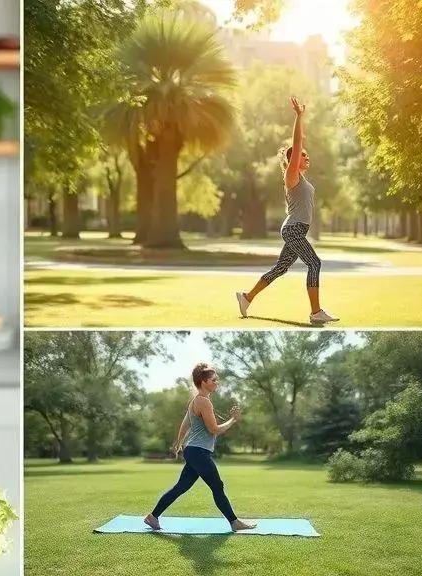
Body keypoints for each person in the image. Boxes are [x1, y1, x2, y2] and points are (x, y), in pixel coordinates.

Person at [236, 97, 339, 325]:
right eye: (303, 154)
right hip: (293, 229)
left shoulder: (301, 178)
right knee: (315, 263)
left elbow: (300, 146)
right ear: (293, 159)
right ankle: (316, 313)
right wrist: (298, 117)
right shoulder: (291, 174)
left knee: (280, 268)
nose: (306, 156)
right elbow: (298, 141)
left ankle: (246, 297)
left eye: (306, 154)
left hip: (296, 230)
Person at [144, 363, 255, 532]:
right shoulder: (203, 401)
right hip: (199, 452)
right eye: (214, 379)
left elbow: (185, 424)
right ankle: (234, 522)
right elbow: (214, 430)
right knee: (217, 486)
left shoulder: (196, 401)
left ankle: (153, 517)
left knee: (181, 487)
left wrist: (179, 443)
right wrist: (233, 419)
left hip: (193, 451)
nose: (217, 382)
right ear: (204, 382)